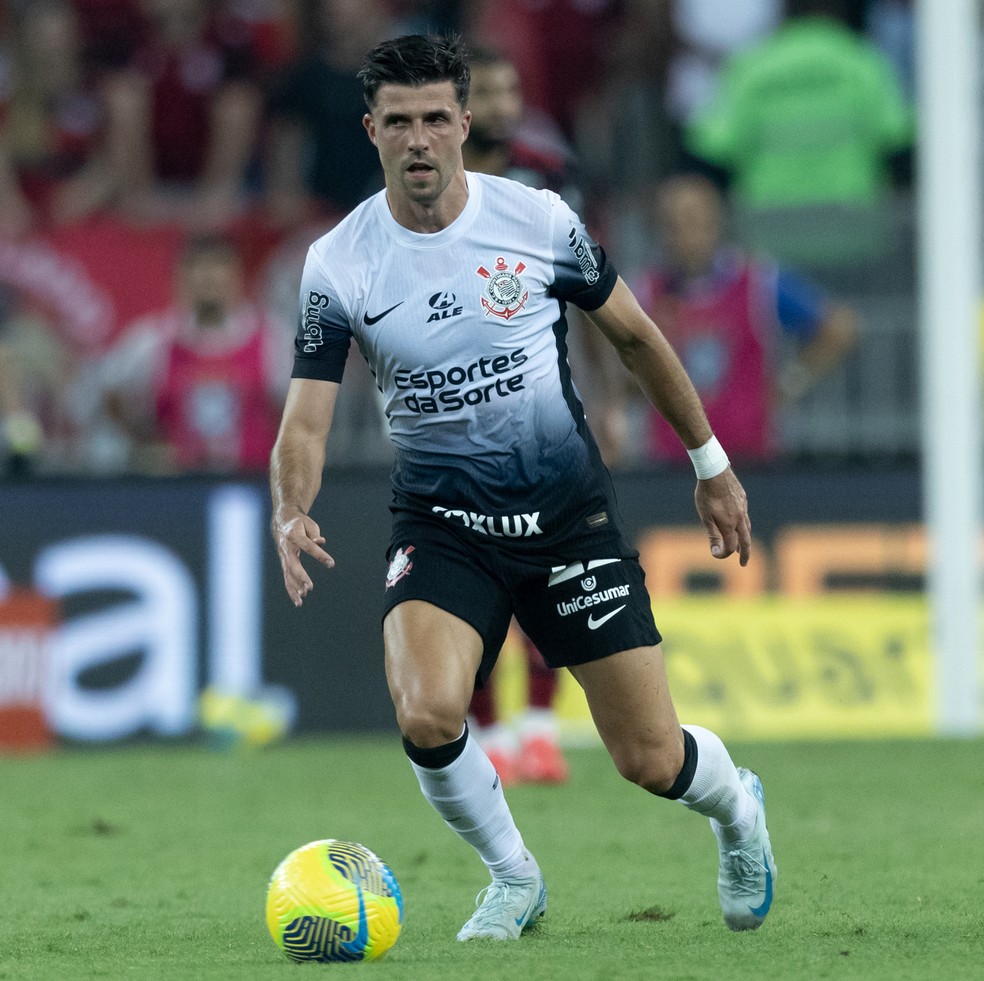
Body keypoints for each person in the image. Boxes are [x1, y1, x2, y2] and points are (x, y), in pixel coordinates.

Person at [270, 34, 776, 943]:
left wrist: (711, 464)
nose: (419, 140)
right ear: (371, 132)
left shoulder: (537, 220)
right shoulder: (339, 262)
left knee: (651, 759)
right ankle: (513, 876)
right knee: (428, 710)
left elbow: (636, 337)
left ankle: (737, 808)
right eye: (399, 123)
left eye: (435, 119)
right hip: (442, 521)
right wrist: (290, 505)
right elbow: (306, 418)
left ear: (466, 123)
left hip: (566, 520)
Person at [461, 44, 581, 784]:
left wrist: (594, 387)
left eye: (513, 89)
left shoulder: (549, 174)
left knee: (552, 564)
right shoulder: (436, 179)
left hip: (542, 401)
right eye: (491, 92)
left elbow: (585, 283)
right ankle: (490, 732)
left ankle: (540, 728)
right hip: (456, 408)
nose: (507, 104)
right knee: (472, 576)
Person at [631, 172, 858, 466]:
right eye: (670, 225)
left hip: (749, 459)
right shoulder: (645, 292)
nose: (681, 235)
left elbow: (840, 328)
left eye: (691, 221)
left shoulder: (757, 282)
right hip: (672, 463)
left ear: (716, 224)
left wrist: (787, 386)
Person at [100, 233, 287, 473]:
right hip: (178, 489)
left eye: (218, 269)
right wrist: (145, 443)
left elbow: (294, 413)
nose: (208, 278)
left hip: (256, 480)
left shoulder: (273, 340)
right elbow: (111, 392)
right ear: (180, 277)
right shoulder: (152, 340)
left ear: (238, 277)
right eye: (199, 270)